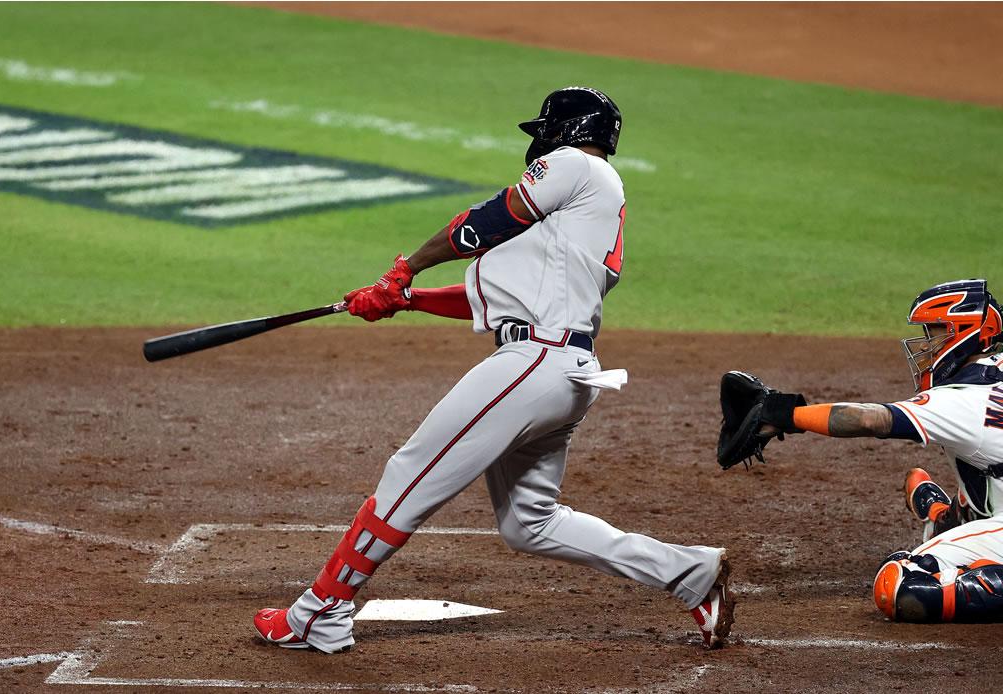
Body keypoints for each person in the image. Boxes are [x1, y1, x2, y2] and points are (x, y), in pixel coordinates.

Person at [253, 87, 734, 653]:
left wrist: (403, 268)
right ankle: (690, 574)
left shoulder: (578, 167)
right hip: (563, 369)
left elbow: (484, 222)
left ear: (565, 134)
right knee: (529, 523)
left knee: (409, 474)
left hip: (534, 365)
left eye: (543, 134)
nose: (536, 147)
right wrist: (406, 299)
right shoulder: (573, 219)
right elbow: (496, 299)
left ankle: (320, 611)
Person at [747, 278, 1003, 622]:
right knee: (984, 470)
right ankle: (953, 520)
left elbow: (871, 420)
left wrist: (786, 415)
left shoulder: (960, 400)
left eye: (935, 333)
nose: (927, 345)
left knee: (900, 584)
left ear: (965, 332)